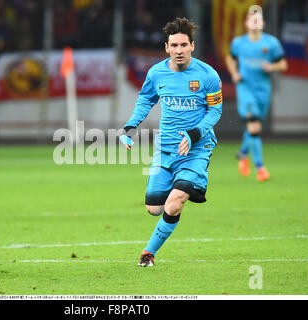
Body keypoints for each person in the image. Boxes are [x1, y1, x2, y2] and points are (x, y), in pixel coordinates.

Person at [120, 17, 223, 267]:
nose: (179, 50)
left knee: (174, 202)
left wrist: (193, 134)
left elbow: (215, 111)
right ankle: (179, 193)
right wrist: (130, 127)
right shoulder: (156, 73)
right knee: (154, 209)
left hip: (197, 148)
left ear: (192, 46)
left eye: (183, 45)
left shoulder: (208, 75)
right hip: (165, 148)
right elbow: (145, 101)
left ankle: (148, 253)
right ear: (166, 47)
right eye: (174, 46)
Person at [225, 10, 288, 182]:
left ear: (263, 23)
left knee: (254, 127)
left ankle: (243, 154)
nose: (254, 22)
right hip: (245, 88)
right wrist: (234, 73)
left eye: (258, 19)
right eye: (251, 19)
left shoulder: (271, 43)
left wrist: (271, 67)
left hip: (263, 90)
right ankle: (260, 168)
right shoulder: (238, 43)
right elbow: (230, 58)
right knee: (254, 125)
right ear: (246, 23)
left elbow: (283, 64)